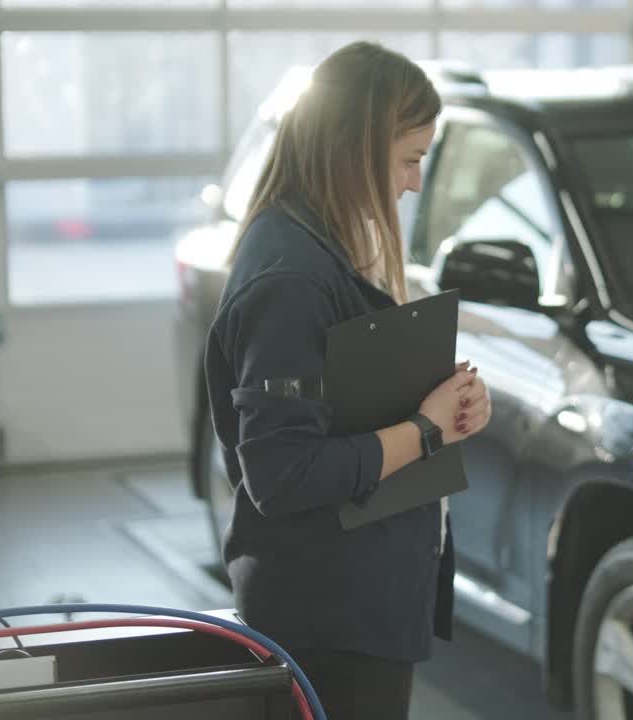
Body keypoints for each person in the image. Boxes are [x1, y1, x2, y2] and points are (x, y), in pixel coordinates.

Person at [203, 41, 491, 720]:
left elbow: (339, 401)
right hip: (329, 621)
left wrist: (445, 397)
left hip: (357, 606)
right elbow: (284, 474)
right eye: (409, 160)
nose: (414, 183)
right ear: (355, 149)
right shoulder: (290, 281)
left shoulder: (320, 246)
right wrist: (424, 429)